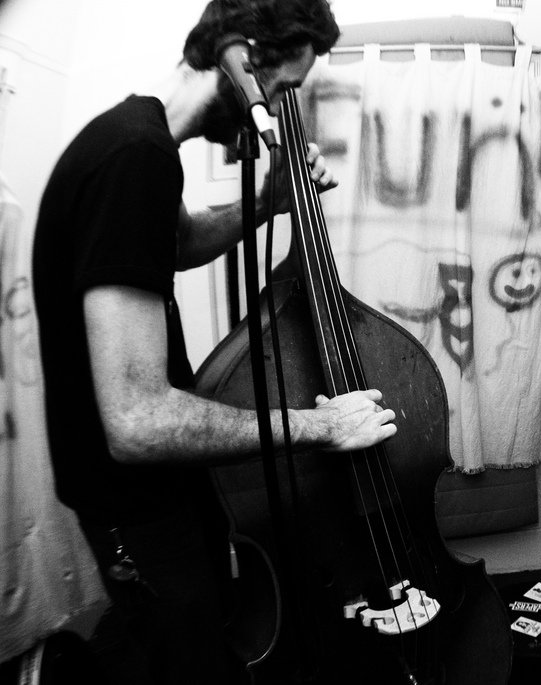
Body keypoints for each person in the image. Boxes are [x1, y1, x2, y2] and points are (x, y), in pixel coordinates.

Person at [31, 2, 397, 683]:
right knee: (187, 662)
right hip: (134, 503)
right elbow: (137, 420)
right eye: (284, 89)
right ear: (242, 59)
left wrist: (268, 200)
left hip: (152, 490)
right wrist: (320, 425)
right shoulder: (135, 156)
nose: (281, 110)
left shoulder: (141, 139)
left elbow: (177, 243)